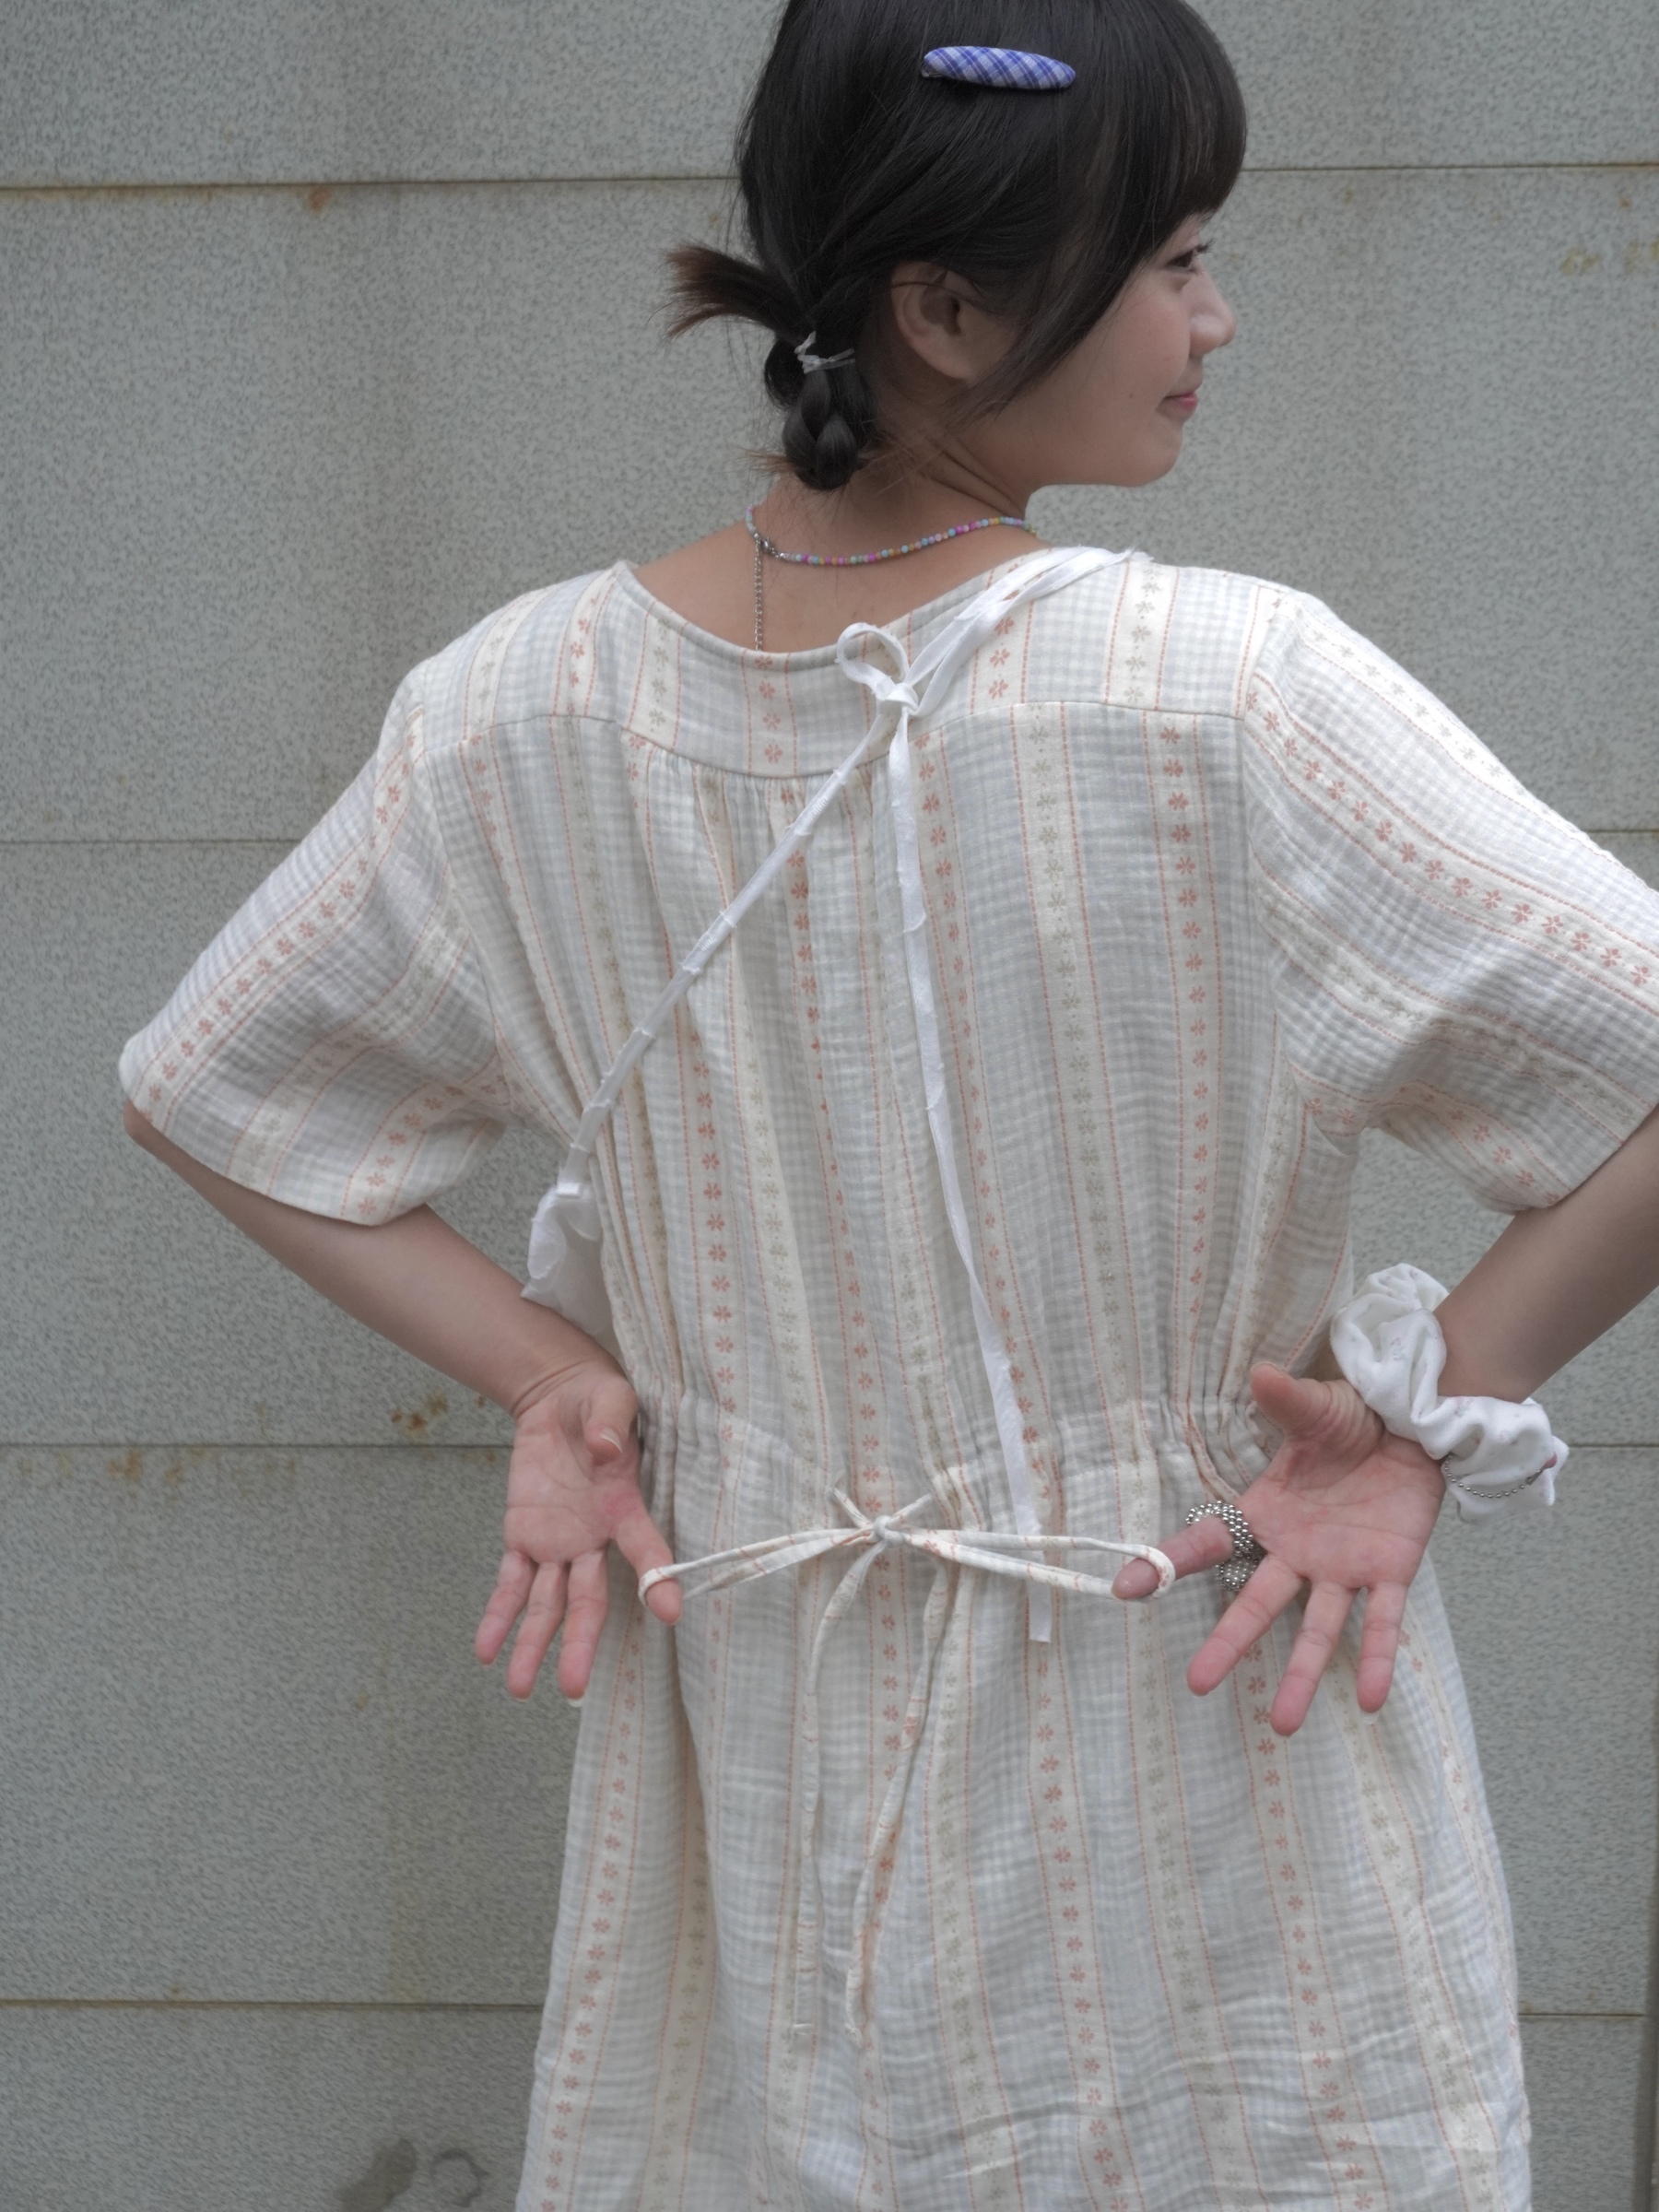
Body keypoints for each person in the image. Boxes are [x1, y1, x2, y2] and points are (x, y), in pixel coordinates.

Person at [119, 3, 1659, 2205]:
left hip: (782, 1744)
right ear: (944, 310)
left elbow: (215, 1089)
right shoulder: (1231, 690)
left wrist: (555, 1375)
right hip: (1207, 1713)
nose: (1218, 319)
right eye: (1177, 259)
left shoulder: (514, 712)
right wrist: (1424, 1419)